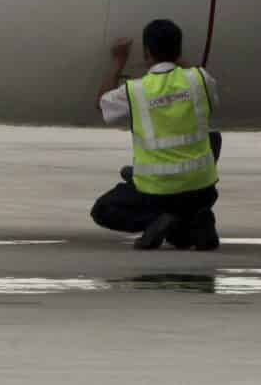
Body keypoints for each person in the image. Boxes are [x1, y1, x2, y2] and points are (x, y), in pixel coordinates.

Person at [89, 18, 221, 251]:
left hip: (158, 192)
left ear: (146, 52)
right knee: (213, 136)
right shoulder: (199, 80)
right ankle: (195, 222)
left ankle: (159, 221)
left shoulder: (137, 90)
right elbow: (199, 80)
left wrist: (118, 62)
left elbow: (102, 104)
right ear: (179, 51)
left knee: (102, 210)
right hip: (202, 190)